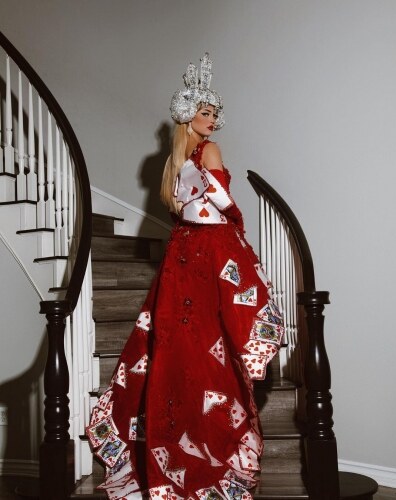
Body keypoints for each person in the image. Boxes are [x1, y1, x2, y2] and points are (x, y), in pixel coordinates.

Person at [86, 53, 284, 500]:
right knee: (205, 351)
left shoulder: (179, 162)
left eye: (215, 113)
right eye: (205, 112)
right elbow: (223, 203)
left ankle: (174, 450)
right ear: (188, 115)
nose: (212, 121)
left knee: (180, 351)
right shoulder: (205, 153)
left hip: (182, 254)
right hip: (204, 253)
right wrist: (238, 234)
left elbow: (188, 208)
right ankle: (204, 449)